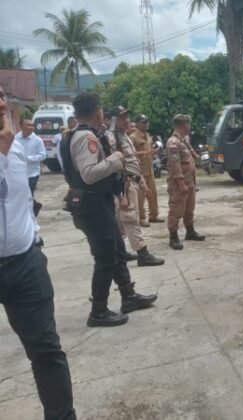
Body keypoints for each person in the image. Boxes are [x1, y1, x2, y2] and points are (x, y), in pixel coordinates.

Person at [0, 86, 76, 420]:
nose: (2, 103)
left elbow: (21, 200)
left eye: (2, 96)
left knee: (47, 352)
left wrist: (35, 240)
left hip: (25, 264)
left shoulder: (18, 149)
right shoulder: (7, 149)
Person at [59, 93, 157, 327]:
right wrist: (115, 160)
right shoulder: (85, 137)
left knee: (117, 250)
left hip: (97, 203)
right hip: (91, 205)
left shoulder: (84, 134)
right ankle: (99, 310)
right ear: (97, 112)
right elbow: (89, 174)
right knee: (105, 258)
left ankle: (128, 296)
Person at [106, 106, 165, 267]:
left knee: (121, 221)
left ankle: (119, 252)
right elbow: (115, 167)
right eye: (122, 118)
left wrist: (142, 183)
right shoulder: (111, 138)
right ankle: (142, 253)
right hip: (124, 184)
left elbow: (132, 163)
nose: (126, 120)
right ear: (113, 120)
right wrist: (121, 193)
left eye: (126, 117)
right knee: (131, 219)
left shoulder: (123, 136)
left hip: (132, 181)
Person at [166, 114, 205, 250]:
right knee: (176, 210)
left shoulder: (183, 141)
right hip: (179, 185)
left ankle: (190, 231)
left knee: (189, 209)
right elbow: (175, 164)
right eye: (188, 124)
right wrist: (181, 183)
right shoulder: (173, 142)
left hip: (189, 183)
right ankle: (173, 237)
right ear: (184, 125)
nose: (190, 126)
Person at [130, 114, 164, 226]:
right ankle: (141, 218)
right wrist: (146, 153)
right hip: (139, 171)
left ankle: (153, 215)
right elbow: (131, 154)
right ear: (137, 123)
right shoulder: (133, 137)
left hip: (150, 169)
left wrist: (154, 152)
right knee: (140, 196)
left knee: (152, 194)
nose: (146, 124)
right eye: (144, 122)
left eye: (147, 122)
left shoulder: (148, 136)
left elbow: (149, 150)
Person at [14, 119, 46, 216]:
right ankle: (35, 205)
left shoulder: (37, 140)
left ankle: (29, 214)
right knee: (21, 194)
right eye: (28, 125)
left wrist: (28, 159)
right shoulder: (15, 138)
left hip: (32, 172)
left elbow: (43, 155)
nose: (31, 127)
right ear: (21, 126)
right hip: (18, 172)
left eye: (32, 125)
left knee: (29, 192)